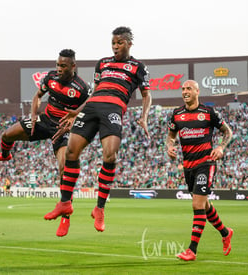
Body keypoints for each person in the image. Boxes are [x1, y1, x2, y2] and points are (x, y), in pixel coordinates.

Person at [44, 26, 152, 234]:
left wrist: (144, 117)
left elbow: (147, 95)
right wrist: (76, 112)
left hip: (113, 108)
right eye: (113, 42)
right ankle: (65, 203)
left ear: (129, 43)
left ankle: (99, 208)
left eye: (120, 42)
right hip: (92, 106)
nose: (115, 46)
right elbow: (93, 93)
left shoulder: (138, 67)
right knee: (71, 152)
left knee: (110, 155)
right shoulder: (102, 63)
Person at [0, 49, 91, 236]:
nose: (58, 68)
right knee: (7, 135)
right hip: (45, 120)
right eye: (57, 64)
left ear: (73, 66)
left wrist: (75, 118)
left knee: (64, 168)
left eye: (63, 66)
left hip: (62, 128)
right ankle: (4, 155)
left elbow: (92, 106)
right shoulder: (51, 78)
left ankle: (66, 216)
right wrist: (33, 115)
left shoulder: (81, 87)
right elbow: (37, 96)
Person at [166, 80, 233, 261]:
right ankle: (226, 233)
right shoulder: (176, 114)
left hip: (206, 163)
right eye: (183, 89)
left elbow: (228, 132)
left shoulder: (208, 112)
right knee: (204, 205)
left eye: (188, 89)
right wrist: (169, 147)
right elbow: (171, 136)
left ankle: (192, 250)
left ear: (197, 91)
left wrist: (221, 148)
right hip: (188, 166)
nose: (185, 92)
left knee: (197, 205)